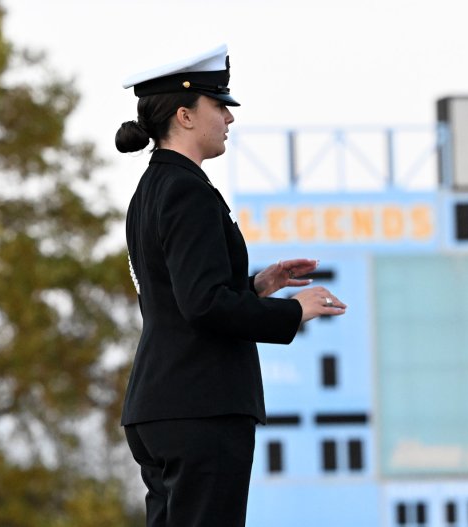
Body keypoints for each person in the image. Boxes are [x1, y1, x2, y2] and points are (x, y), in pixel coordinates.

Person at [116, 44, 346, 527]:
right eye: (219, 105)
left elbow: (180, 295)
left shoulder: (151, 190)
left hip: (162, 407)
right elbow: (203, 306)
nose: (228, 118)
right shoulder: (187, 190)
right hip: (200, 407)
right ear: (184, 115)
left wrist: (256, 285)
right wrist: (294, 310)